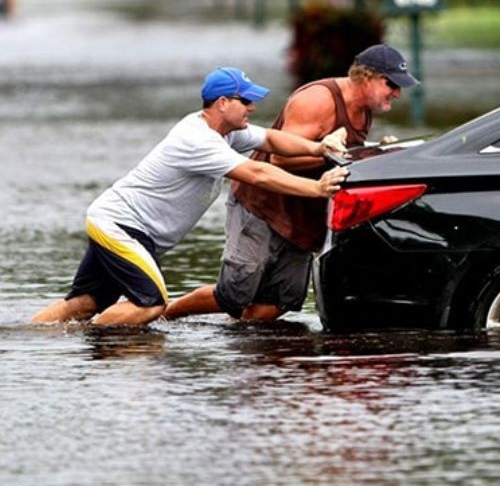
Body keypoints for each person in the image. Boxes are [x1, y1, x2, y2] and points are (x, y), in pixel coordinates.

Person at [31, 67, 349, 326]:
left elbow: (272, 140)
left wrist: (318, 147)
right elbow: (258, 174)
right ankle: (93, 349)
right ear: (223, 103)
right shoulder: (198, 140)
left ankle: (27, 337)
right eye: (246, 101)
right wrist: (317, 188)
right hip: (120, 225)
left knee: (85, 304)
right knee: (151, 305)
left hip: (121, 224)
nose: (253, 107)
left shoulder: (225, 131)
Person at [164, 44, 418, 322]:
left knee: (278, 303)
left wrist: (375, 152)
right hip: (262, 205)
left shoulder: (364, 108)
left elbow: (340, 156)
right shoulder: (318, 100)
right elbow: (279, 160)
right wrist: (340, 156)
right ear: (366, 77)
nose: (397, 92)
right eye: (391, 84)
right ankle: (165, 315)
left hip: (301, 213)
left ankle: (242, 354)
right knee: (234, 294)